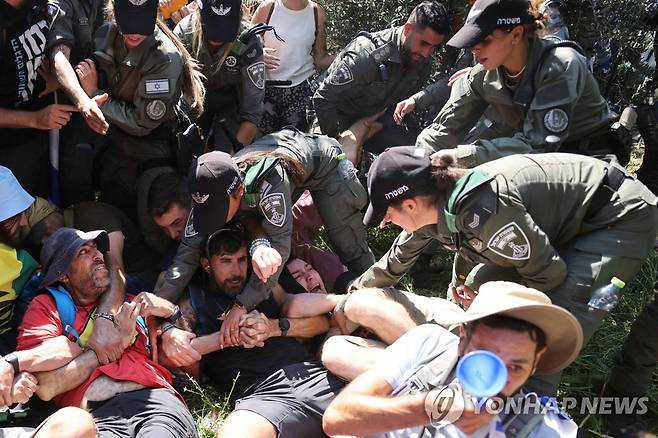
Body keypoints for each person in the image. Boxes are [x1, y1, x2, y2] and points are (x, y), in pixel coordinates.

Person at [352, 146, 658, 396]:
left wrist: (499, 305)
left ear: (410, 204)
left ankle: (536, 413)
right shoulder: (432, 203)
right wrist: (348, 299)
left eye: (387, 216)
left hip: (616, 217)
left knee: (543, 332)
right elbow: (394, 261)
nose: (386, 224)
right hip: (564, 226)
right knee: (480, 283)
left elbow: (549, 276)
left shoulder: (483, 209)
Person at [157, 128, 376, 346]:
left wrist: (241, 305)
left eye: (217, 213)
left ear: (239, 192)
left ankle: (379, 300)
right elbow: (184, 259)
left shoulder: (269, 184)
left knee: (349, 244)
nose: (213, 221)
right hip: (290, 174)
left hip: (325, 167)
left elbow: (278, 251)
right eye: (208, 213)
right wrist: (156, 307)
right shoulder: (209, 193)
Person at [322, 281, 582, 437]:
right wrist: (427, 408)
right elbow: (337, 418)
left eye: (515, 366)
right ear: (462, 337)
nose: (494, 377)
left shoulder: (538, 427)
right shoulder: (429, 344)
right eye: (485, 356)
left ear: (535, 365)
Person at [159, 223, 345, 438]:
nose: (236, 270)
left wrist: (273, 328)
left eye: (241, 260)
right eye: (225, 261)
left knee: (375, 414)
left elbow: (321, 324)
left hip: (308, 375)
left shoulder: (265, 286)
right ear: (207, 264)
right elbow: (171, 357)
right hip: (259, 397)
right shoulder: (193, 302)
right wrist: (230, 336)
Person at [16, 227, 199, 437]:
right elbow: (45, 386)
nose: (98, 256)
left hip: (156, 404)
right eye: (83, 252)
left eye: (96, 248)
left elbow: (193, 368)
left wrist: (171, 313)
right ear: (63, 274)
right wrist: (106, 349)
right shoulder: (47, 308)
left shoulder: (134, 302)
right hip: (95, 417)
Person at [415, 0, 621, 167]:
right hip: (540, 161)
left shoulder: (560, 65)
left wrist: (462, 155)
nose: (474, 50)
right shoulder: (485, 74)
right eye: (472, 42)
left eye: (484, 40)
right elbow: (444, 128)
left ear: (516, 34)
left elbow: (536, 147)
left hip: (590, 159)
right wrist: (419, 158)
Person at [73, 0, 204, 214]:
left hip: (150, 151)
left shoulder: (163, 58)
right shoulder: (106, 34)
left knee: (150, 215)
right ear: (114, 12)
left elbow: (141, 123)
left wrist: (95, 94)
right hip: (114, 143)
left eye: (142, 22)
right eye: (128, 22)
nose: (134, 33)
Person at [312, 1, 451, 154]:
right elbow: (323, 99)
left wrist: (374, 126)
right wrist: (337, 141)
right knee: (326, 160)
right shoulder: (366, 54)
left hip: (371, 120)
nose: (426, 53)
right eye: (423, 43)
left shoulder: (421, 63)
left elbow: (398, 108)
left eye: (433, 47)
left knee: (414, 154)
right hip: (332, 118)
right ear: (407, 30)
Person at [0, 0, 77, 198]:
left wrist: (57, 77)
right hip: (13, 148)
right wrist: (35, 119)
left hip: (53, 132)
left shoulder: (39, 4)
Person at [174, 0, 265, 152]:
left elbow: (252, 113)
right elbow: (172, 95)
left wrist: (230, 160)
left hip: (232, 106)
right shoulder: (184, 32)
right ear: (199, 13)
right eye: (212, 24)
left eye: (225, 27)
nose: (217, 37)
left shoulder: (249, 41)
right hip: (191, 102)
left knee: (225, 158)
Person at [23, 196, 161, 291]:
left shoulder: (92, 215)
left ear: (52, 212)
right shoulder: (56, 242)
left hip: (140, 274)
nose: (46, 239)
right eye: (39, 238)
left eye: (43, 229)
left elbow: (117, 273)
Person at [251, 0, 334, 133]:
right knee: (261, 149)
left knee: (295, 148)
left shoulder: (317, 12)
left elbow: (320, 59)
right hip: (265, 90)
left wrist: (352, 52)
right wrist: (258, 54)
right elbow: (244, 45)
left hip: (301, 94)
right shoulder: (269, 7)